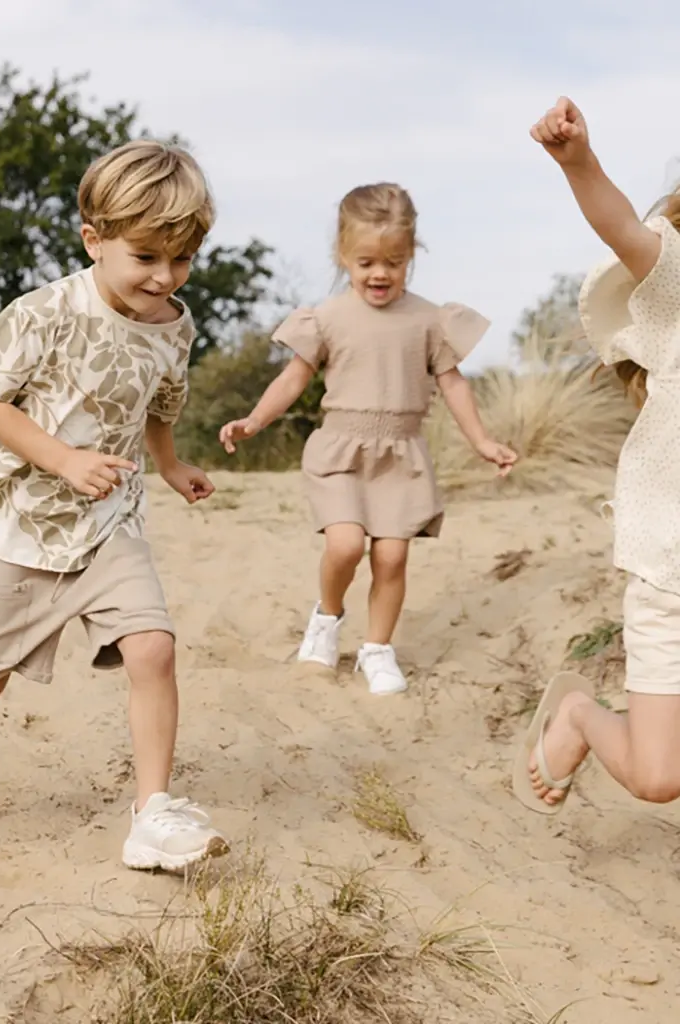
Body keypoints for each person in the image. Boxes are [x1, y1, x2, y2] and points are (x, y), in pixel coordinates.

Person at [0, 139, 230, 871]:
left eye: (183, 260)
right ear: (94, 240)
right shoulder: (45, 312)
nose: (165, 277)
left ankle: (152, 813)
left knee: (154, 647)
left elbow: (160, 405)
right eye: (146, 257)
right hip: (23, 524)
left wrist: (168, 465)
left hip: (111, 522)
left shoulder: (176, 325)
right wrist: (64, 460)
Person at [219, 183, 517, 695]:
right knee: (346, 544)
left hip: (401, 454)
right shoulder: (328, 317)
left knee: (392, 557)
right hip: (341, 450)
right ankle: (326, 620)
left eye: (394, 262)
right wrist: (255, 421)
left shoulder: (428, 320)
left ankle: (377, 649)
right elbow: (293, 378)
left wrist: (483, 441)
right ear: (343, 255)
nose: (380, 273)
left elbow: (452, 383)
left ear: (411, 256)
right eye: (366, 262)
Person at [513, 97, 680, 814]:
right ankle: (580, 715)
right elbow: (619, 224)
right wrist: (577, 160)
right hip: (671, 571)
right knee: (656, 779)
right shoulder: (676, 285)